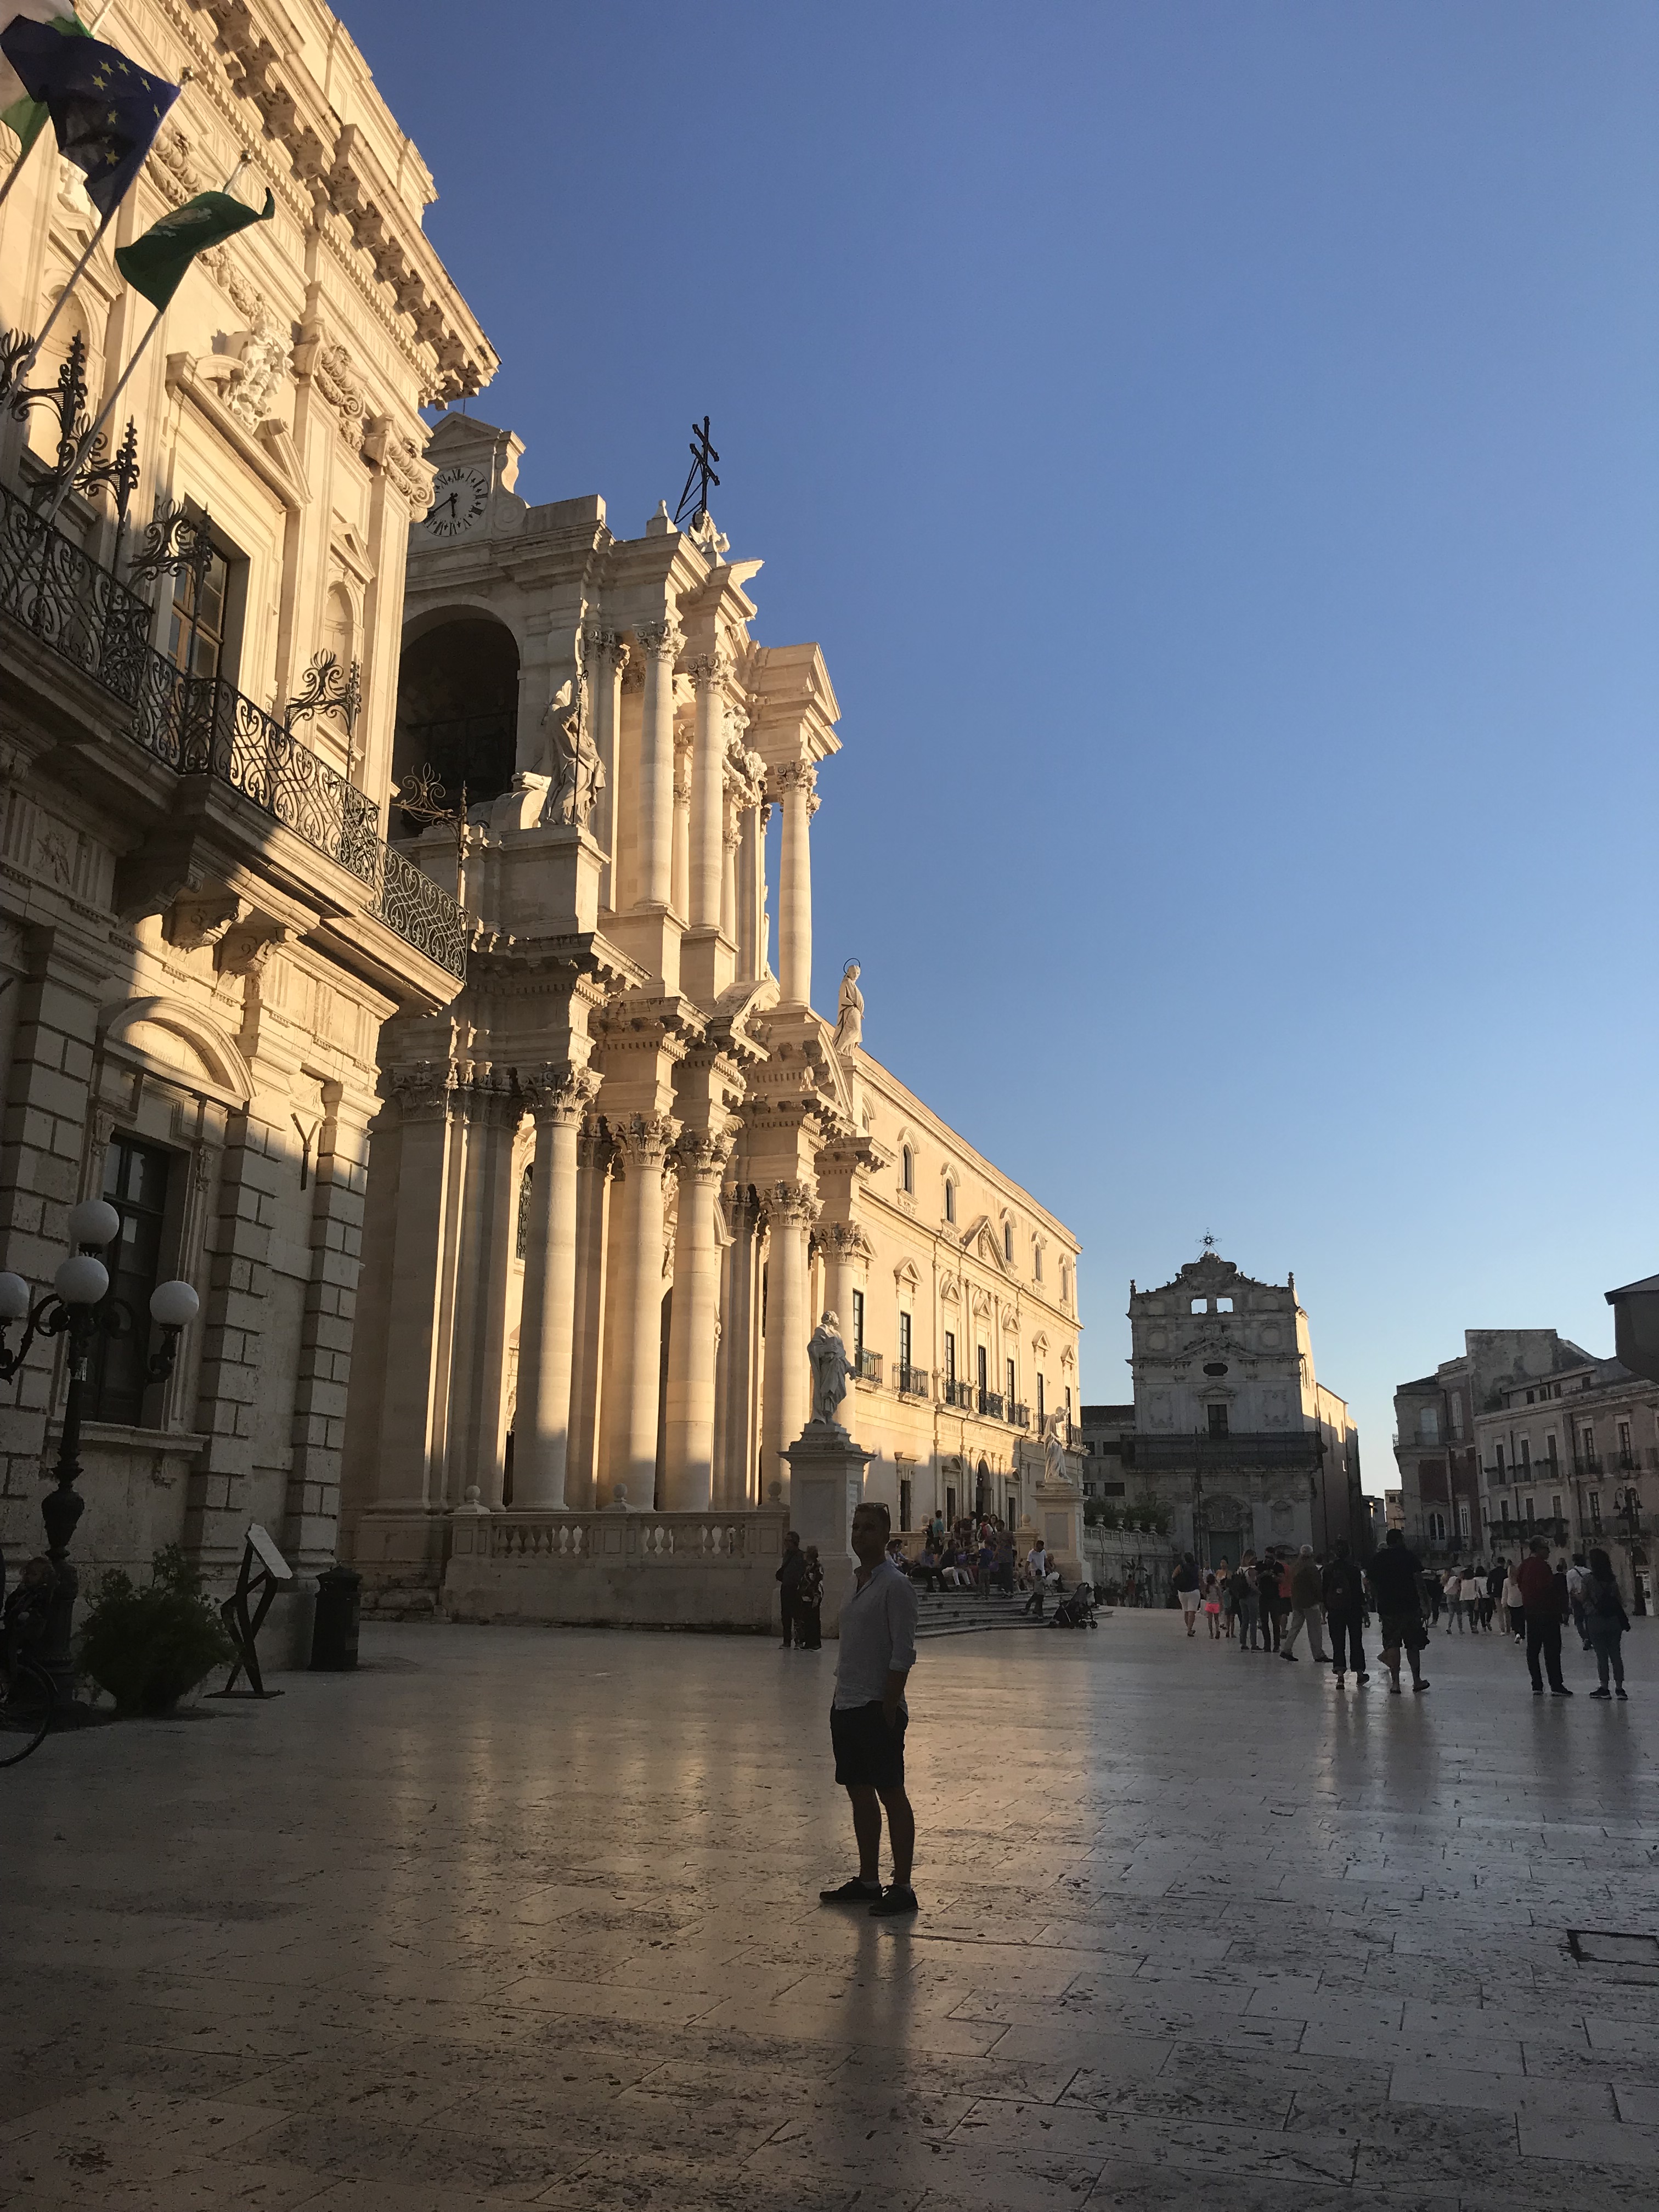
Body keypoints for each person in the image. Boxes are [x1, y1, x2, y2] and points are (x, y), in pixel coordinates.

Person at [819, 1500, 919, 1917]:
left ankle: (902, 1885)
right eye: (856, 1527)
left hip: (878, 1704)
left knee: (890, 1792)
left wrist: (890, 1704)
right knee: (859, 1793)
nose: (860, 1535)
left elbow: (903, 1651)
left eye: (869, 1529)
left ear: (886, 1535)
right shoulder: (855, 1580)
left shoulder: (896, 1585)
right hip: (847, 1700)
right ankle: (868, 1879)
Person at [1365, 1528, 1430, 1694]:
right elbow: (1419, 1582)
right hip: (1410, 1606)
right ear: (1400, 1540)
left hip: (1388, 1608)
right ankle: (1416, 1680)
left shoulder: (1379, 1559)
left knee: (1392, 1644)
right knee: (1413, 1644)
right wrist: (1426, 1603)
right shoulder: (1409, 1556)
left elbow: (1370, 1582)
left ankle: (1395, 1683)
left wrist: (1377, 1597)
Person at [1516, 1536, 1571, 1696]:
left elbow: (1520, 1585)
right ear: (1538, 1550)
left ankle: (1537, 1685)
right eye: (1546, 1549)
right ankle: (1556, 1685)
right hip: (1547, 1613)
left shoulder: (1524, 1565)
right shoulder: (1542, 1566)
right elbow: (1547, 1587)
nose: (1548, 1552)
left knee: (1533, 1650)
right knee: (1552, 1649)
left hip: (1531, 1613)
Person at [1582, 1548, 1630, 1700]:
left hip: (1595, 1620)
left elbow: (1583, 1598)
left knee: (1601, 1656)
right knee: (1616, 1654)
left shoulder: (1588, 1579)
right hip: (1613, 1620)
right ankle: (1620, 1688)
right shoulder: (1612, 1579)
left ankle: (1604, 1687)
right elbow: (1619, 1600)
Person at [1322, 1538, 1368, 1684]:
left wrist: (1327, 1607)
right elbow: (1359, 1592)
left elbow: (1324, 1591)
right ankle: (1359, 1673)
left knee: (1338, 1642)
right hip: (1353, 1609)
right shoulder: (1354, 1570)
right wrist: (1365, 1611)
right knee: (1356, 1641)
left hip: (1335, 1611)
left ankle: (1340, 1676)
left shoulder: (1328, 1570)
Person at [1282, 1545, 1330, 1663]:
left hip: (1297, 1602)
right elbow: (1316, 1586)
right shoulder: (1311, 1568)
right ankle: (1318, 1654)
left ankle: (1286, 1649)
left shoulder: (1295, 1567)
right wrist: (1322, 1599)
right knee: (1315, 1629)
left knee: (1295, 1627)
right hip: (1310, 1603)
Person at [776, 1530, 805, 1649]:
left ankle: (799, 1640)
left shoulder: (801, 1556)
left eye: (788, 1541)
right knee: (785, 1615)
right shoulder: (787, 1555)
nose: (785, 1543)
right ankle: (786, 1640)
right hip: (786, 1587)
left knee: (797, 1616)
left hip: (795, 1589)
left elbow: (802, 1572)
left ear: (795, 1542)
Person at [795, 1545, 825, 1650]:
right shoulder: (807, 1567)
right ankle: (808, 1642)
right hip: (805, 1596)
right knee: (807, 1620)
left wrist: (816, 1596)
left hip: (813, 1597)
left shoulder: (817, 1567)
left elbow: (817, 1582)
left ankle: (815, 1642)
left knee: (814, 1620)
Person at [1233, 1553, 1261, 1651]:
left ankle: (1243, 1642)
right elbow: (1252, 1584)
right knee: (1253, 1621)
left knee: (1245, 1621)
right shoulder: (1251, 1571)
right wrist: (1260, 1592)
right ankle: (1254, 1644)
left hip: (1242, 1597)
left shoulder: (1240, 1570)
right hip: (1251, 1597)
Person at [1171, 1552, 1202, 1637]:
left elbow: (1173, 1576)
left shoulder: (1181, 1566)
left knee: (1186, 1611)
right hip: (1194, 1591)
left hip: (1182, 1591)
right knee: (1192, 1611)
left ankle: (1189, 1628)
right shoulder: (1196, 1568)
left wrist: (1179, 1581)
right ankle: (1189, 1629)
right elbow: (1200, 1578)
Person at [1566, 1554, 1592, 1650]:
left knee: (1578, 1620)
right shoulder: (1588, 1572)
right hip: (1587, 1598)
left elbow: (1569, 1589)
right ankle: (1589, 1638)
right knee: (1588, 1618)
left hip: (1576, 1598)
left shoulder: (1570, 1573)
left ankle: (1584, 1638)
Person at [1257, 1550, 1282, 1653]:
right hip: (1262, 1597)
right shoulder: (1259, 1565)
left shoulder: (1278, 1566)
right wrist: (1264, 1574)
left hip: (1274, 1597)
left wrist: (1273, 1576)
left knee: (1276, 1622)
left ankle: (1277, 1645)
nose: (1268, 1560)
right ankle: (1267, 1645)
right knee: (1264, 1622)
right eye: (1267, 1557)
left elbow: (1282, 1580)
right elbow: (1255, 1578)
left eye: (1271, 1558)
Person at [1502, 1560, 1525, 1641]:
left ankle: (1517, 1633)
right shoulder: (1521, 1580)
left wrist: (1503, 1603)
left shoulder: (1506, 1581)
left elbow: (1505, 1592)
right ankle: (1522, 1634)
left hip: (1511, 1602)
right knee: (1521, 1619)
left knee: (1514, 1619)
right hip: (1521, 1601)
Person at [1442, 1566, 1464, 1633]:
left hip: (1449, 1597)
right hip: (1456, 1597)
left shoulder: (1445, 1579)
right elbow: (1458, 1588)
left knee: (1451, 1614)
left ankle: (1448, 1627)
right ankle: (1460, 1629)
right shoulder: (1455, 1579)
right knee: (1459, 1614)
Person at [1203, 1569, 1223, 1640]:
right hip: (1216, 1604)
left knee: (1210, 1620)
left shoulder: (1207, 1587)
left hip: (1209, 1604)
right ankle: (1217, 1630)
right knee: (1217, 1619)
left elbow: (1205, 1596)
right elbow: (1220, 1596)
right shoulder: (1216, 1587)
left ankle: (1211, 1633)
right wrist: (1221, 1604)